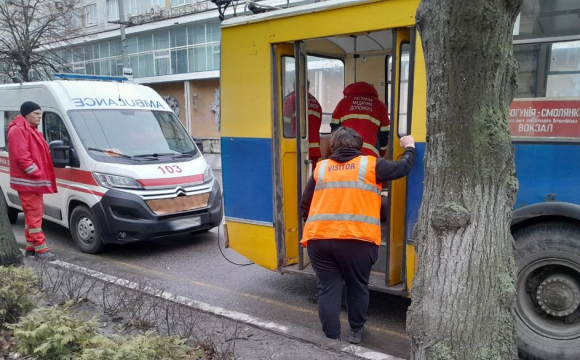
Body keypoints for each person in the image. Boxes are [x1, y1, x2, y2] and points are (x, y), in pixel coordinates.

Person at [300, 127, 415, 344]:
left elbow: (304, 204)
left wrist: (312, 223)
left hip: (319, 240)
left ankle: (331, 338)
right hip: (358, 241)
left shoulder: (321, 168)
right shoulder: (372, 165)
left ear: (333, 146)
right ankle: (355, 332)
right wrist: (409, 147)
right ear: (359, 145)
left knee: (327, 288)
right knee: (357, 285)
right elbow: (403, 167)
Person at [7, 101, 57, 261]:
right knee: (34, 215)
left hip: (32, 182)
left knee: (32, 215)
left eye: (40, 114)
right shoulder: (18, 130)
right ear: (26, 114)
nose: (39, 117)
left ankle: (31, 248)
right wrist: (37, 173)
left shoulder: (29, 130)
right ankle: (42, 250)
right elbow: (21, 157)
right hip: (29, 182)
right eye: (36, 114)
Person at [330, 81, 390, 158]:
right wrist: (381, 153)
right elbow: (384, 134)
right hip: (370, 155)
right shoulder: (380, 106)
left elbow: (334, 128)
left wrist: (336, 151)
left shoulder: (343, 103)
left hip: (345, 154)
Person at [283, 82, 323, 167]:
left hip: (297, 149)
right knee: (312, 177)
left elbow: (285, 126)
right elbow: (318, 124)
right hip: (314, 149)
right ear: (308, 87)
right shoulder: (315, 102)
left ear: (294, 86)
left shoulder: (290, 99)